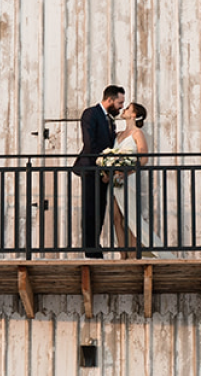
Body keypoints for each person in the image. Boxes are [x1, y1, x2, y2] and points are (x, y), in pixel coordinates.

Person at [110, 103, 171, 259]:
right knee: (116, 216)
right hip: (115, 178)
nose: (124, 110)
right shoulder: (118, 134)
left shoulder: (137, 134)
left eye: (128, 108)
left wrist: (128, 170)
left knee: (130, 216)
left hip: (129, 178)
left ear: (134, 115)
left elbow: (143, 158)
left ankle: (131, 254)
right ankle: (122, 253)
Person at [72, 85, 125, 258]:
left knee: (100, 208)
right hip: (91, 169)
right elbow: (89, 143)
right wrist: (102, 167)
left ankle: (95, 245)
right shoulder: (91, 114)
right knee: (90, 209)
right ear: (109, 100)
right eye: (119, 102)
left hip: (103, 172)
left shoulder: (109, 119)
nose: (121, 107)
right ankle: (90, 249)